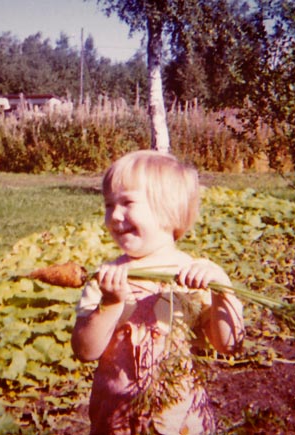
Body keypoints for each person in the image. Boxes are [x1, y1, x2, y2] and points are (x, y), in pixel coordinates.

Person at [71, 150, 245, 435]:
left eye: (127, 203)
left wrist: (223, 291)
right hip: (116, 421)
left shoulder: (195, 275)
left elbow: (230, 345)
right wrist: (111, 304)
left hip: (179, 421)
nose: (114, 216)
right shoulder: (105, 279)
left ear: (169, 210)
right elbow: (85, 350)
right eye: (108, 205)